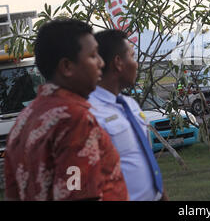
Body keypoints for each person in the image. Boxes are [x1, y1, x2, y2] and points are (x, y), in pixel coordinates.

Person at [4, 19, 129, 201]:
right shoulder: (73, 119)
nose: (101, 63)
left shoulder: (24, 121)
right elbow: (78, 193)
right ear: (67, 67)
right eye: (93, 55)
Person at [88, 29, 169, 201]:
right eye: (132, 56)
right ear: (118, 63)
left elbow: (144, 155)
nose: (136, 64)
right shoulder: (90, 113)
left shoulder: (130, 104)